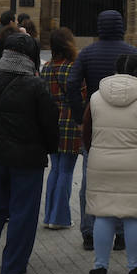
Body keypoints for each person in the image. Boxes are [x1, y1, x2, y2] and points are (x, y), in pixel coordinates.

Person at [0, 32, 58, 274]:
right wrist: (50, 148)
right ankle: (13, 265)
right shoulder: (37, 86)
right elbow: (50, 123)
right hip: (27, 158)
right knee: (23, 210)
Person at [83, 54, 137, 274]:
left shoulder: (96, 98)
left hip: (103, 162)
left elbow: (87, 133)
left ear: (114, 71)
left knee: (103, 213)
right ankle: (134, 267)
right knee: (134, 216)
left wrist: (97, 152)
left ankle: (100, 266)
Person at [67, 10, 137, 251]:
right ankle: (121, 235)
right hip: (127, 127)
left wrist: (80, 116)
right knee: (122, 183)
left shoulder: (88, 53)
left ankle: (89, 233)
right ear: (121, 27)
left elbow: (72, 83)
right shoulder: (132, 52)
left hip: (96, 124)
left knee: (91, 181)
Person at [40, 27, 81, 230]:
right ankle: (60, 217)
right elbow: (81, 96)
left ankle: (49, 215)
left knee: (55, 169)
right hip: (70, 123)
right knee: (66, 170)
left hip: (50, 123)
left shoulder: (46, 68)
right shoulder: (72, 68)